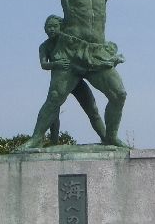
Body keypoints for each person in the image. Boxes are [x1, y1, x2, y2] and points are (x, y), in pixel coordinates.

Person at [21, 0, 127, 149]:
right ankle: (36, 138)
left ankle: (111, 136)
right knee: (55, 98)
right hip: (70, 52)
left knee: (119, 94)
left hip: (97, 53)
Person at [38, 15, 106, 143]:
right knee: (53, 110)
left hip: (76, 79)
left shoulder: (69, 41)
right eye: (48, 27)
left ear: (61, 27)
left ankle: (106, 138)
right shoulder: (44, 46)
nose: (51, 29)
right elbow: (43, 64)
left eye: (54, 26)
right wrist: (56, 64)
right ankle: (54, 142)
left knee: (92, 108)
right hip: (60, 81)